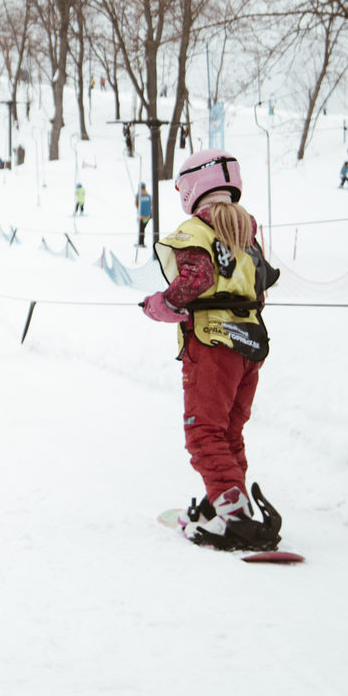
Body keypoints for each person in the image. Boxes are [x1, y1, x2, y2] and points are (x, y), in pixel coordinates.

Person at [140, 148, 283, 552]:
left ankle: (233, 514)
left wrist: (162, 304)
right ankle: (219, 500)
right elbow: (260, 286)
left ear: (192, 186)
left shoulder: (197, 230)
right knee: (228, 431)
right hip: (250, 344)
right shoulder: (246, 233)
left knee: (203, 432)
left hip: (212, 343)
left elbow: (197, 278)